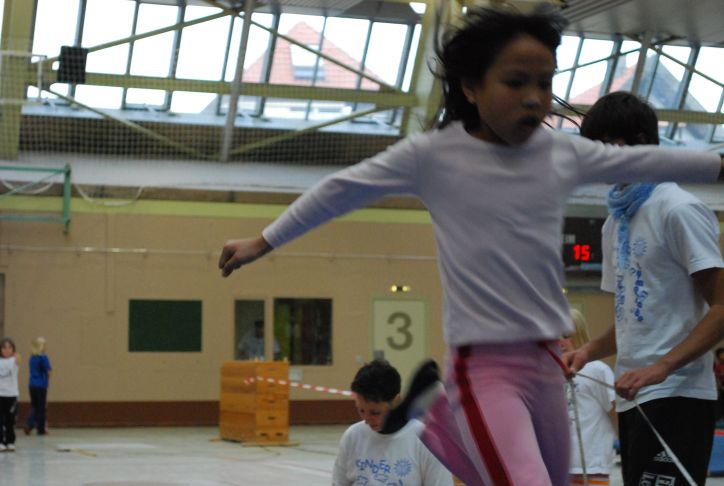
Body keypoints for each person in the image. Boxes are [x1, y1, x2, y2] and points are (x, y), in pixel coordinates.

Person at [218, 7, 723, 485]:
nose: (534, 98)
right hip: (486, 361)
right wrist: (264, 240)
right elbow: (342, 189)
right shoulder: (433, 157)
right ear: (471, 87)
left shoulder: (560, 154)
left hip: (546, 358)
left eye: (545, 83)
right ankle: (448, 412)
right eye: (515, 82)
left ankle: (438, 419)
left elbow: (656, 162)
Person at [563, 91, 724, 486]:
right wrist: (588, 351)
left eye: (602, 148)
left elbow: (722, 307)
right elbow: (633, 316)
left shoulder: (679, 209)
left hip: (679, 394)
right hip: (633, 394)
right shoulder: (614, 223)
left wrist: (661, 367)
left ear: (633, 144)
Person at [332, 359, 453, 485]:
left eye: (375, 412)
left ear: (396, 401)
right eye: (361, 410)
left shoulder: (428, 441)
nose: (366, 419)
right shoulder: (352, 436)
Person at [559, 309, 616, 486]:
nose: (559, 341)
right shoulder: (549, 374)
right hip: (558, 466)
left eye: (566, 335)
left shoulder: (597, 369)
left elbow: (615, 412)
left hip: (591, 466)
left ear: (580, 333)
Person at [25, 336, 52, 436]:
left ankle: (29, 424)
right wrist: (47, 380)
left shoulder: (32, 358)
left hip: (32, 384)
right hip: (41, 385)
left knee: (34, 406)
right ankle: (40, 429)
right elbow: (49, 371)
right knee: (41, 408)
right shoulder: (43, 357)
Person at [0, 337, 20, 452]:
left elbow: (18, 359)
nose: (7, 350)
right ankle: (1, 442)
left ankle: (10, 441)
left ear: (13, 349)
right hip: (0, 394)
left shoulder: (14, 360)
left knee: (10, 420)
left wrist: (16, 356)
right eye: (4, 348)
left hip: (11, 394)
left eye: (9, 348)